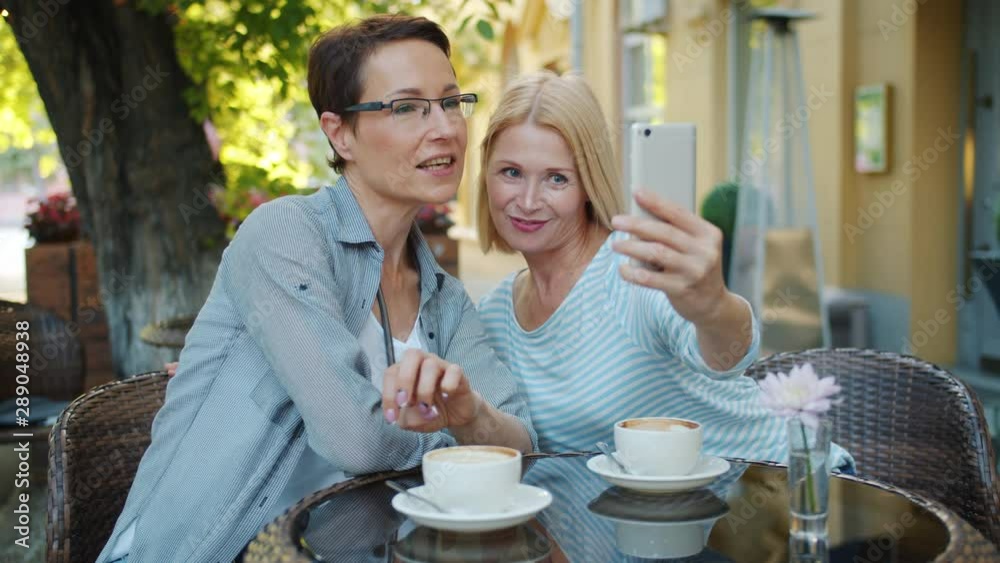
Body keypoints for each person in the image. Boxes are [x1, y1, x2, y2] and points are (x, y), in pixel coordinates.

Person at [99, 16, 535, 563]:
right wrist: (455, 440)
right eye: (406, 107)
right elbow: (354, 440)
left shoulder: (442, 295)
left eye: (450, 102)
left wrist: (471, 413)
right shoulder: (284, 235)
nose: (444, 128)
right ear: (340, 133)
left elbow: (520, 444)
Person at [475, 71, 852, 470]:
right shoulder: (494, 315)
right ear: (487, 177)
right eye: (511, 172)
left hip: (786, 489)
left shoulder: (633, 267)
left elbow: (727, 356)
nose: (529, 201)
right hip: (666, 519)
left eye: (556, 178)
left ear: (588, 185)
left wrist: (713, 306)